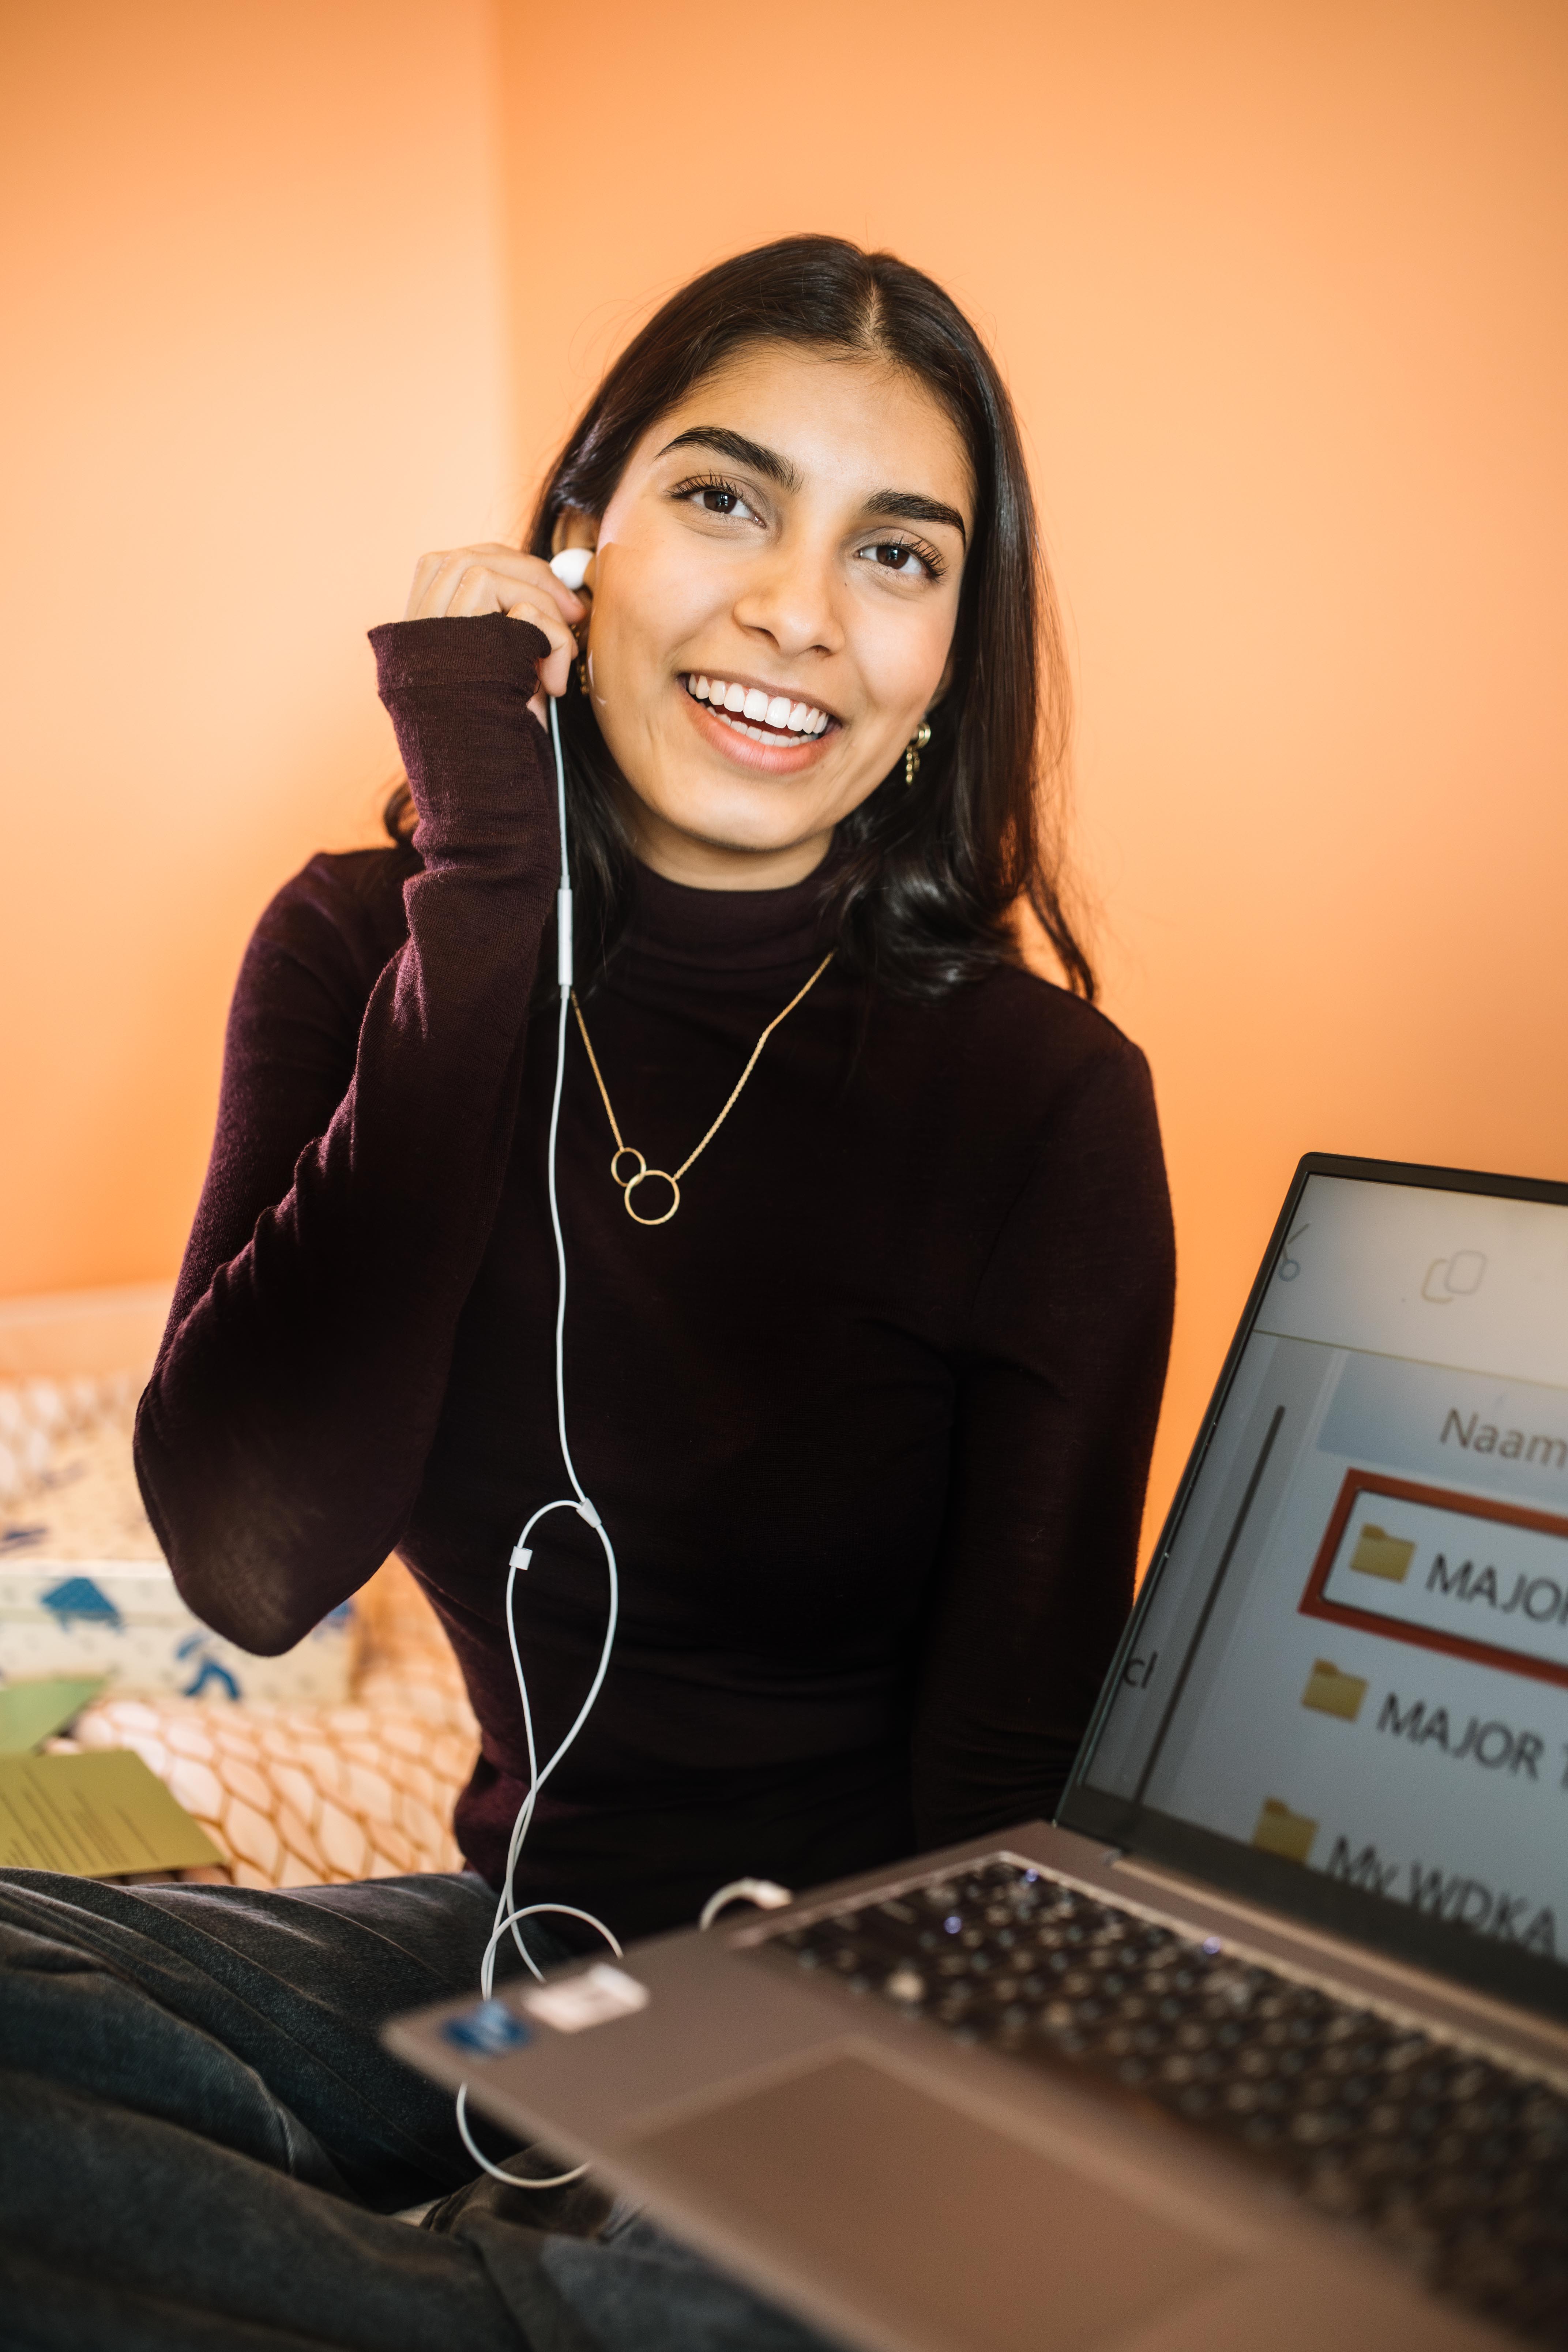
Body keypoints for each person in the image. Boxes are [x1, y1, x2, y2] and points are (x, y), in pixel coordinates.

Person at [1, 236, 1174, 2349]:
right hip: (511, 1963)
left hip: (846, 2023)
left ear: (946, 659)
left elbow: (1015, 1802)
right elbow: (258, 1566)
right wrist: (482, 889)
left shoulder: (1045, 1103)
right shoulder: (372, 941)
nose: (797, 611)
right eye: (725, 499)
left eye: (895, 555)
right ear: (579, 542)